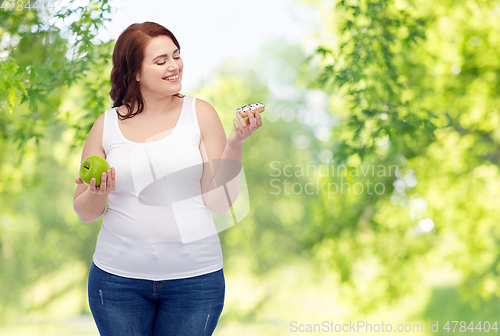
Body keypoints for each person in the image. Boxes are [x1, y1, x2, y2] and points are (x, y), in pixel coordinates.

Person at [72, 21, 262, 336]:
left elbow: (219, 203)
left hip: (195, 283)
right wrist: (97, 191)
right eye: (161, 61)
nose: (174, 65)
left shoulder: (200, 113)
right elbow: (84, 213)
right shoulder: (104, 125)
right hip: (117, 284)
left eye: (176, 55)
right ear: (134, 72)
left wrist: (235, 144)